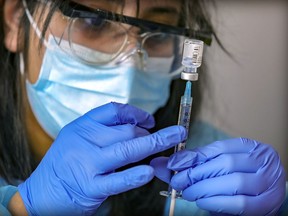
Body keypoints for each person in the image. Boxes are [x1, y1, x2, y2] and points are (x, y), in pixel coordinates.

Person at [0, 0, 287, 215]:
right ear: (15, 19)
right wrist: (23, 208)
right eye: (93, 22)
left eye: (158, 32)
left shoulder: (204, 161)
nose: (130, 65)